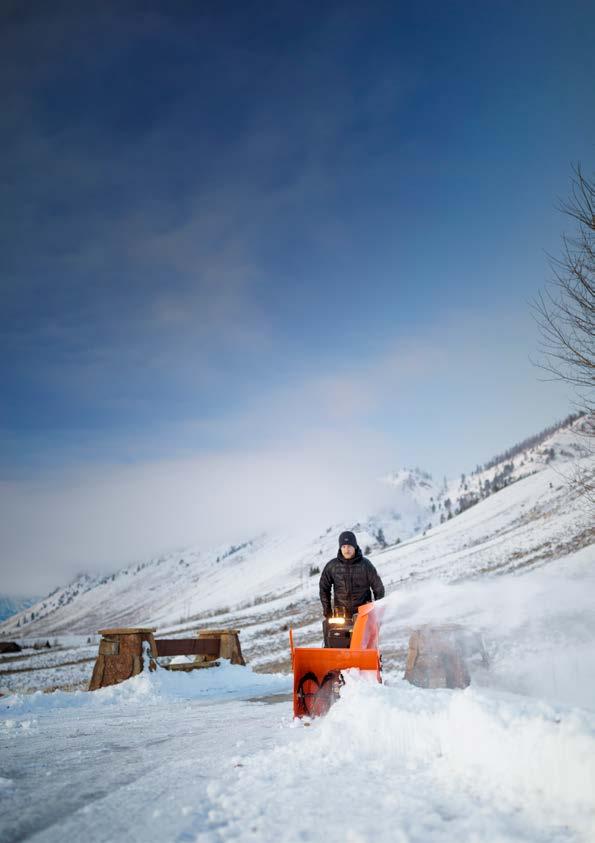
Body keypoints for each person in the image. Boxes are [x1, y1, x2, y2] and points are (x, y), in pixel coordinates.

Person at [319, 530, 385, 645]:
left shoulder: (366, 565)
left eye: (349, 546)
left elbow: (378, 587)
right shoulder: (332, 566)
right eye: (343, 546)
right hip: (341, 615)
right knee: (337, 642)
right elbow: (324, 588)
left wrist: (376, 611)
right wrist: (327, 611)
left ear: (354, 546)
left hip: (362, 615)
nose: (346, 549)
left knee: (363, 645)